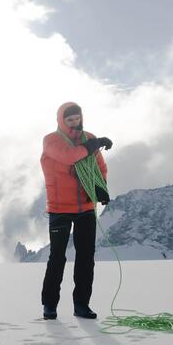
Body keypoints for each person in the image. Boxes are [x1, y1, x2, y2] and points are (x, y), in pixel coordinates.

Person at [40, 102, 113, 320]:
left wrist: (100, 188)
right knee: (57, 258)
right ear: (61, 120)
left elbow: (100, 167)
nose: (74, 123)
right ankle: (49, 305)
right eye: (69, 119)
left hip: (85, 208)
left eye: (77, 118)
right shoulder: (51, 140)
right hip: (60, 208)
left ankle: (82, 305)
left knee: (85, 258)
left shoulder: (88, 138)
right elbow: (69, 157)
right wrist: (93, 145)